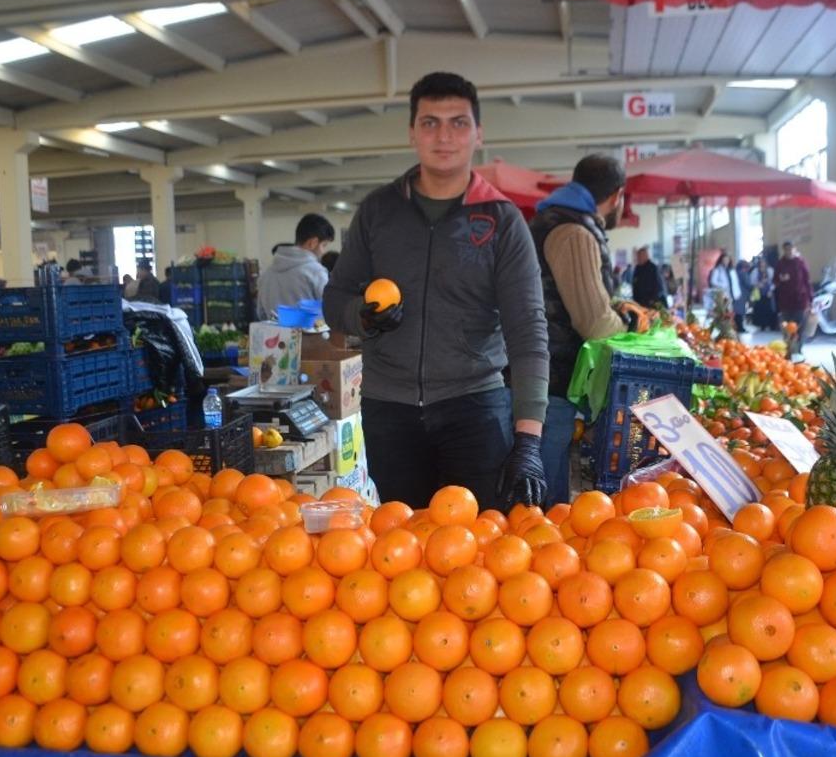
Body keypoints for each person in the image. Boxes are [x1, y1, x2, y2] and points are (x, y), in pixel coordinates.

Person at [323, 71, 549, 512]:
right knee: (399, 540)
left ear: (478, 134)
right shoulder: (378, 212)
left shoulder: (502, 220)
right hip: (389, 409)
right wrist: (361, 316)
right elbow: (335, 299)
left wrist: (528, 441)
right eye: (430, 123)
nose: (444, 136)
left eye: (458, 123)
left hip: (475, 408)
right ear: (412, 133)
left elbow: (528, 332)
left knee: (480, 541)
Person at [530, 154, 644, 506]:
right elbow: (594, 323)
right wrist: (631, 328)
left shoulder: (558, 221)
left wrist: (615, 306)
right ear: (617, 195)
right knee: (544, 501)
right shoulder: (573, 232)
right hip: (550, 377)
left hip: (543, 372)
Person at [258, 213, 335, 320]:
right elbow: (331, 311)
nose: (323, 251)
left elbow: (261, 314)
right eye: (324, 245)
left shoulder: (266, 274)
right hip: (310, 331)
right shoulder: (316, 271)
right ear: (312, 243)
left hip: (274, 330)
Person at [774, 241, 812, 353]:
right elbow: (775, 280)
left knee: (799, 328)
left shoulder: (800, 263)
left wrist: (810, 298)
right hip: (785, 301)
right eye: (787, 249)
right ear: (784, 250)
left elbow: (807, 281)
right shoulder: (780, 264)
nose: (789, 251)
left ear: (795, 249)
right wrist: (780, 279)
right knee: (786, 328)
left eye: (791, 249)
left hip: (800, 301)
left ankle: (798, 350)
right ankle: (788, 350)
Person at [749, 255, 777, 331]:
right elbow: (752, 282)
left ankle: (771, 325)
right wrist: (758, 284)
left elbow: (774, 282)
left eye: (763, 262)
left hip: (768, 293)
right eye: (761, 262)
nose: (762, 264)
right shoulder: (755, 271)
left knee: (770, 309)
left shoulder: (770, 270)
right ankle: (762, 325)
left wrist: (771, 290)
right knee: (760, 309)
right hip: (759, 293)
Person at [734, 260, 751, 333]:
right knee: (740, 311)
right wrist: (754, 287)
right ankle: (740, 327)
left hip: (737, 294)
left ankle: (737, 326)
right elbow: (747, 284)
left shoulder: (735, 272)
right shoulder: (743, 273)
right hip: (742, 294)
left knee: (737, 311)